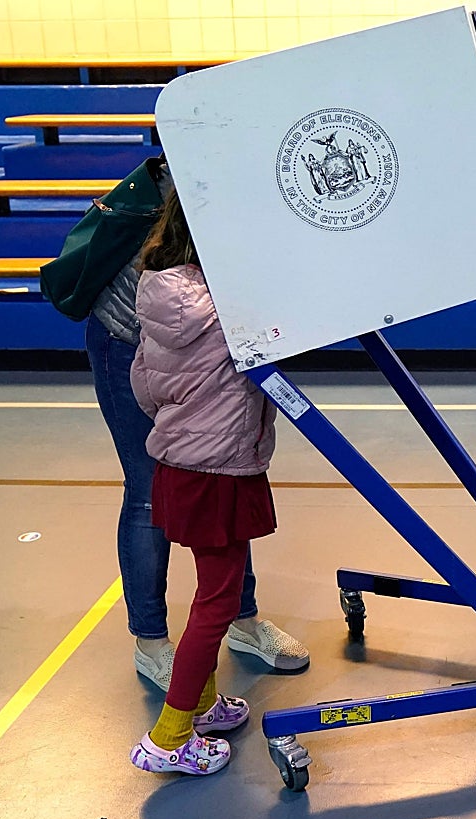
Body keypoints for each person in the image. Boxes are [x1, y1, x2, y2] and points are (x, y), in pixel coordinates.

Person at [84, 163, 308, 693]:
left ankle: (241, 619)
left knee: (225, 462)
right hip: (132, 337)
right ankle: (152, 643)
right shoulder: (198, 175)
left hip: (187, 341)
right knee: (146, 492)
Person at [127, 190, 281, 774]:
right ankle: (169, 737)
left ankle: (205, 704)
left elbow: (144, 387)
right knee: (217, 601)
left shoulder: (159, 294)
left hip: (178, 465)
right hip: (220, 470)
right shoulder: (233, 305)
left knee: (206, 589)